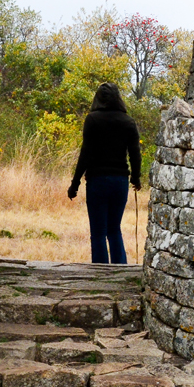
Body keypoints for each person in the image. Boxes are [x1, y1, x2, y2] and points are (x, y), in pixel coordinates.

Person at [67, 82, 141, 264]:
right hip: (120, 181)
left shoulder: (92, 119)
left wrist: (75, 183)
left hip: (97, 181)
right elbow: (135, 153)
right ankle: (120, 273)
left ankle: (100, 275)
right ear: (118, 98)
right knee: (114, 229)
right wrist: (136, 178)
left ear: (98, 99)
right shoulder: (128, 122)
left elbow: (85, 153)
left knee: (98, 232)